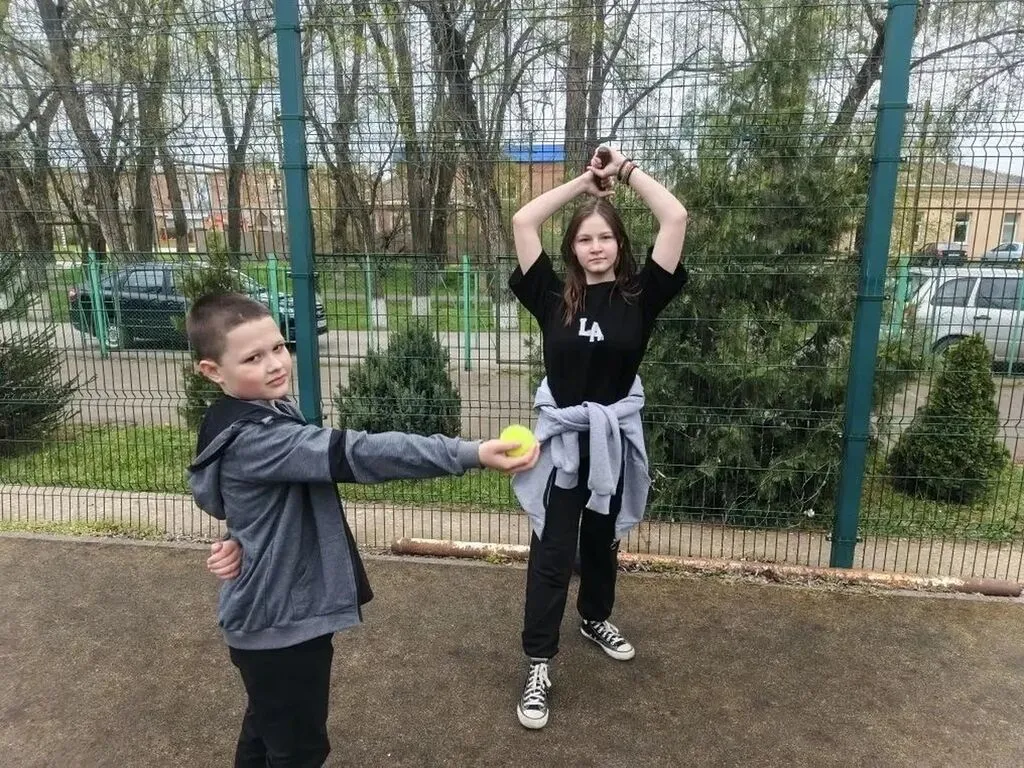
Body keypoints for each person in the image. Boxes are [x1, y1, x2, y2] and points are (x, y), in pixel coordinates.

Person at [185, 292, 538, 767]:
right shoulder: (259, 437)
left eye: (278, 347)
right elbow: (362, 452)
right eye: (252, 358)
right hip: (279, 624)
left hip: (270, 615)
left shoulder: (242, 414)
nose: (275, 364)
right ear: (213, 371)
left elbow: (235, 496)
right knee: (298, 751)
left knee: (266, 732)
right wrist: (469, 453)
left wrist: (239, 537)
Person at [508, 145, 688, 729]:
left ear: (619, 245)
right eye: (584, 239)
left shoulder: (640, 297)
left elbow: (675, 217)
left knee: (603, 542)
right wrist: (584, 184)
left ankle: (594, 617)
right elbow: (523, 221)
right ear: (572, 249)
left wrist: (625, 173)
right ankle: (539, 662)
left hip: (613, 441)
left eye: (605, 237)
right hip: (563, 446)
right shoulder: (550, 297)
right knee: (553, 551)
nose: (595, 246)